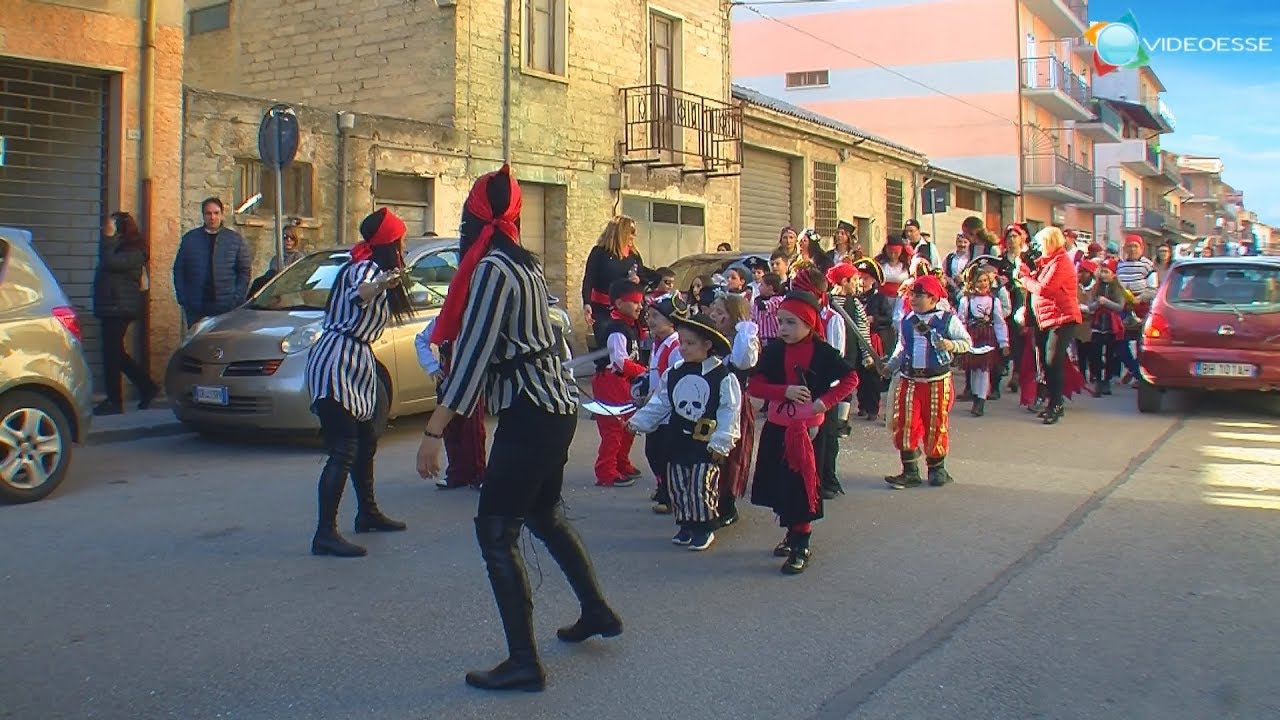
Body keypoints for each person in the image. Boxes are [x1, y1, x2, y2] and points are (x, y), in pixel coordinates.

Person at [416, 166, 620, 692]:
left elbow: (473, 356)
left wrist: (434, 431)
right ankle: (596, 610)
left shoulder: (491, 269)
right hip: (552, 408)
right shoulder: (523, 263)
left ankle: (524, 662)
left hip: (532, 413)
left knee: (495, 532)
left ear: (473, 216)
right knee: (543, 515)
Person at [305, 208, 412, 558]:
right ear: (390, 242)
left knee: (366, 441)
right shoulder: (365, 269)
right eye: (401, 240)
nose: (404, 246)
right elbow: (359, 294)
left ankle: (367, 512)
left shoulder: (370, 267)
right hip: (338, 361)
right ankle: (325, 533)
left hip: (354, 361)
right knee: (344, 449)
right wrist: (383, 283)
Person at [748, 290, 858, 575]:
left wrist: (824, 402)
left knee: (802, 486)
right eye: (781, 322)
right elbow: (755, 385)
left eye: (791, 322)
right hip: (777, 427)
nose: (783, 329)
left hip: (807, 432)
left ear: (809, 323)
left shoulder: (823, 353)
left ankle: (801, 543)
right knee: (781, 484)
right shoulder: (774, 351)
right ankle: (791, 533)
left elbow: (850, 378)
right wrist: (784, 391)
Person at [628, 312, 742, 551]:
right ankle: (686, 524)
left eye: (690, 343)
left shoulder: (722, 375)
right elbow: (661, 403)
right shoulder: (675, 372)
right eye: (681, 342)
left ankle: (704, 527)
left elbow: (729, 410)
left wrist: (722, 442)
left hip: (706, 441)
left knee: (701, 484)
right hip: (677, 438)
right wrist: (638, 422)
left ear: (707, 345)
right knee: (678, 484)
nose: (683, 348)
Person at [882, 275, 973, 488]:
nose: (913, 299)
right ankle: (910, 471)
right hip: (909, 381)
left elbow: (966, 343)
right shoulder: (907, 320)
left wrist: (950, 345)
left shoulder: (947, 320)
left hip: (936, 381)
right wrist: (890, 366)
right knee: (905, 423)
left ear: (933, 299)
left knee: (936, 423)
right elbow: (902, 348)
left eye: (919, 295)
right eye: (911, 294)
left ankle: (937, 469)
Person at [92, 211, 159, 415]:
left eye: (111, 225)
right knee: (115, 354)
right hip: (111, 306)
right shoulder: (119, 247)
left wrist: (108, 238)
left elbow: (109, 262)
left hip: (119, 308)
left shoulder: (134, 251)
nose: (107, 229)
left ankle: (115, 400)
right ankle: (147, 387)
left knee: (112, 355)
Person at [1018, 227, 1083, 425]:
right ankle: (1052, 402)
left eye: (1041, 243)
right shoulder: (1048, 262)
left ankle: (1056, 404)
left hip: (1062, 318)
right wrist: (1025, 267)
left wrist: (1024, 280)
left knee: (1053, 361)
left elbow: (1046, 289)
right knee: (1045, 364)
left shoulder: (1061, 262)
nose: (1038, 247)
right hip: (1045, 319)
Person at [706, 293, 760, 527]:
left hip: (734, 405)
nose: (714, 316)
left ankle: (727, 505)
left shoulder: (741, 342)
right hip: (710, 403)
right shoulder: (710, 339)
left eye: (721, 312)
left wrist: (744, 330)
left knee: (731, 456)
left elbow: (742, 362)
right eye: (714, 310)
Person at [415, 317, 486, 490]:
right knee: (450, 430)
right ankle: (457, 473)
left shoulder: (473, 319)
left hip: (469, 384)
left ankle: (478, 473)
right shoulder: (442, 320)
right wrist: (432, 367)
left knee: (472, 430)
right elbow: (421, 340)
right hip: (447, 383)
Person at [591, 279, 648, 487]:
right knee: (613, 429)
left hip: (624, 383)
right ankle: (606, 471)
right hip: (610, 382)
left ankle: (621, 462)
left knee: (627, 426)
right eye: (635, 302)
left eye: (641, 302)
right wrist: (644, 372)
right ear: (619, 303)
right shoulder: (616, 330)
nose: (639, 307)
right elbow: (620, 361)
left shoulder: (630, 327)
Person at [173, 197, 252, 328]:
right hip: (196, 306)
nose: (212, 217)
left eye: (216, 213)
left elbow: (244, 271)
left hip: (226, 305)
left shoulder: (234, 240)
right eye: (208, 213)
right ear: (203, 215)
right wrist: (183, 298)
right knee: (197, 339)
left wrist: (236, 298)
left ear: (222, 214)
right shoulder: (190, 239)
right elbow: (179, 269)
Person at [641, 295, 684, 513]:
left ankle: (670, 496)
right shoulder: (659, 343)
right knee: (653, 451)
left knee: (664, 454)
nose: (651, 320)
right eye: (649, 316)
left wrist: (655, 396)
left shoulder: (676, 346)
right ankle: (662, 487)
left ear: (671, 320)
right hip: (656, 408)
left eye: (656, 316)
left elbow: (675, 380)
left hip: (667, 411)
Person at [582, 215, 649, 343]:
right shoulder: (599, 252)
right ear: (621, 233)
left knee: (628, 344)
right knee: (606, 344)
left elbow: (643, 279)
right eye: (631, 232)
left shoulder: (634, 255)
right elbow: (589, 279)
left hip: (628, 310)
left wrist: (638, 280)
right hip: (603, 309)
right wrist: (587, 303)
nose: (633, 236)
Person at [956, 263, 1008, 417]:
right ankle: (975, 395)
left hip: (987, 336)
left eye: (985, 280)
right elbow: (961, 321)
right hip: (972, 337)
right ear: (972, 283)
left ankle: (981, 401)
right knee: (974, 369)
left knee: (984, 369)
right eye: (979, 281)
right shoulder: (966, 301)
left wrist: (1004, 342)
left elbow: (999, 322)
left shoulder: (994, 301)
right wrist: (960, 339)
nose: (983, 284)